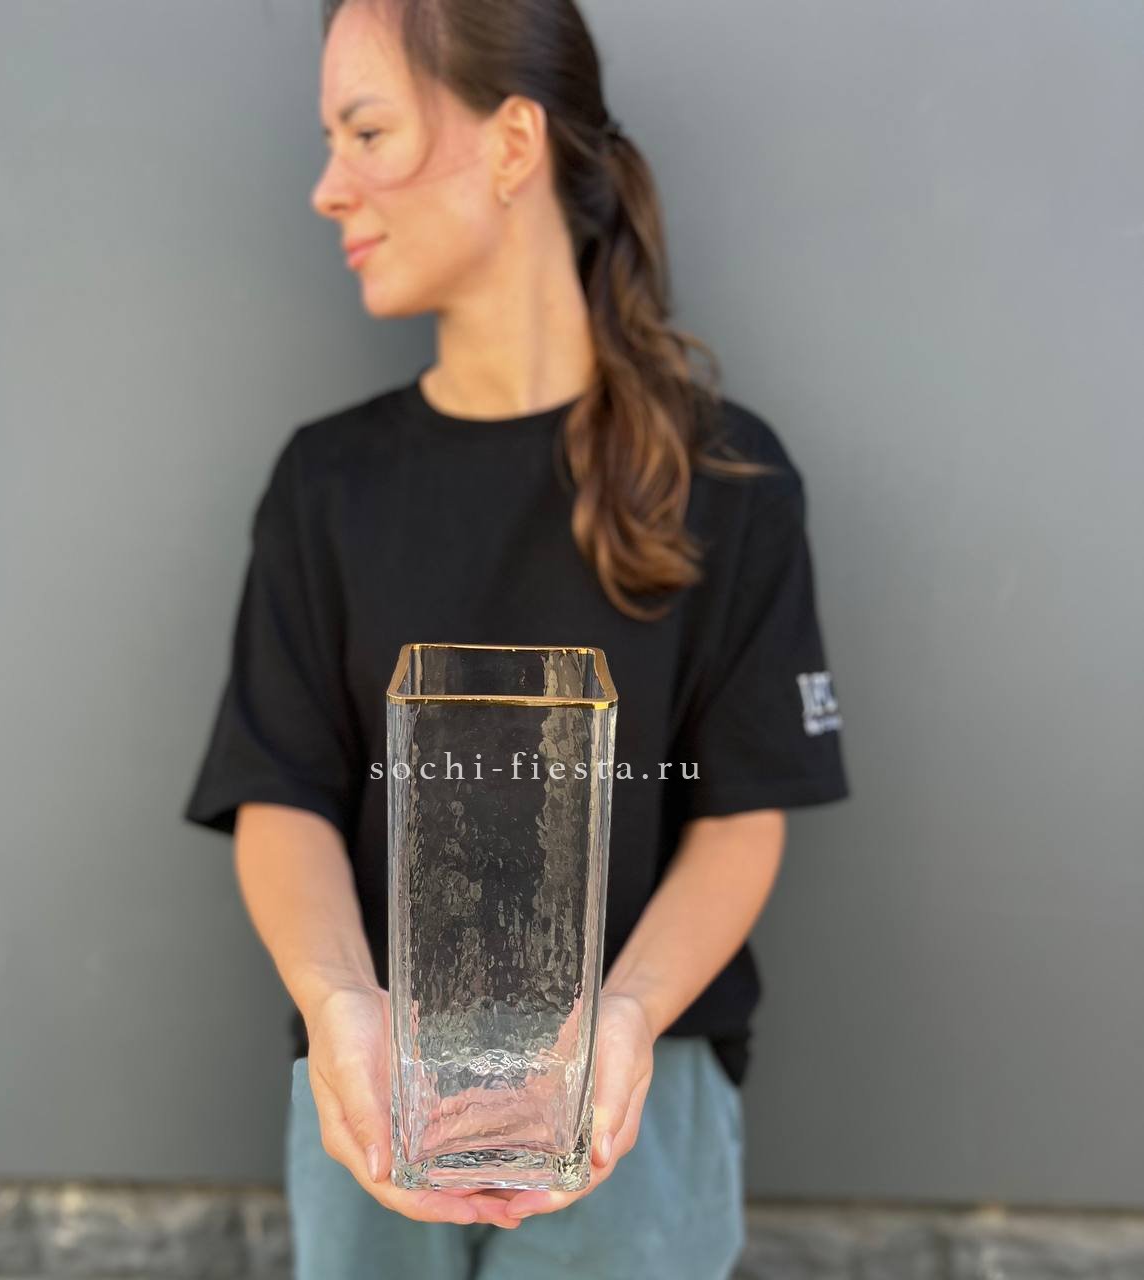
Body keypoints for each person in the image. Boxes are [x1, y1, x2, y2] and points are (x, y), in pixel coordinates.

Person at [183, 1, 851, 1276]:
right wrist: (341, 1003)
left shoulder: (728, 478)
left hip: (638, 1089)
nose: (328, 188)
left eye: (367, 132)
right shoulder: (328, 485)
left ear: (510, 143)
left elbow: (741, 811)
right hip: (374, 1085)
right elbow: (283, 793)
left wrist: (624, 1016)